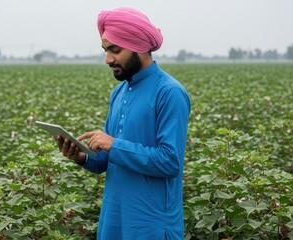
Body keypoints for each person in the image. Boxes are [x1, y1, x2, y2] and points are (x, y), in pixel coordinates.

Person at [54, 7, 191, 240]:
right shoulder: (118, 93)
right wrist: (82, 156)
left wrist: (113, 144)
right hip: (113, 220)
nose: (108, 59)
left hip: (151, 226)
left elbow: (169, 162)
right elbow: (106, 161)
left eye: (115, 50)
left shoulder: (169, 92)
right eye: (105, 51)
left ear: (139, 46)